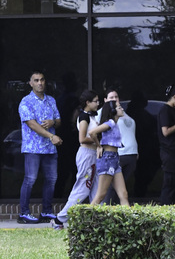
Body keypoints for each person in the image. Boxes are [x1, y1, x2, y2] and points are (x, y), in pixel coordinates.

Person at [17, 70, 63, 224]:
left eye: (42, 80)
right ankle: (23, 213)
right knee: (30, 179)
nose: (40, 83)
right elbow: (31, 124)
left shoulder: (51, 100)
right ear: (30, 83)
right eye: (36, 80)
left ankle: (47, 211)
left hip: (50, 148)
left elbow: (58, 120)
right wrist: (51, 136)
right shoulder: (25, 102)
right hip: (33, 148)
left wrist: (52, 123)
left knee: (52, 179)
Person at [54, 90, 101, 229]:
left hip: (94, 155)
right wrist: (98, 140)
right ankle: (60, 218)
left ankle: (95, 221)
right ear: (88, 103)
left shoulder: (93, 116)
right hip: (87, 154)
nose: (98, 103)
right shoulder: (84, 117)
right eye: (96, 101)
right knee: (82, 188)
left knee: (97, 188)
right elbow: (82, 138)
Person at [99, 88, 138, 204]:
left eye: (116, 97)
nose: (115, 99)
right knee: (105, 191)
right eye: (111, 97)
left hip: (130, 154)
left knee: (122, 192)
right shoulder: (106, 115)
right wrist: (98, 146)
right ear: (105, 100)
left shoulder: (121, 112)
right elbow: (93, 131)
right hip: (115, 155)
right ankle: (101, 213)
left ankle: (119, 215)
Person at [89, 100, 130, 206]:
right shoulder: (110, 123)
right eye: (119, 107)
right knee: (101, 195)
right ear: (113, 110)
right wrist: (98, 146)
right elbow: (92, 133)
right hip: (108, 158)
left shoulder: (115, 124)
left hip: (115, 159)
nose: (122, 109)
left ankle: (128, 220)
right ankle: (85, 218)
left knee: (123, 194)